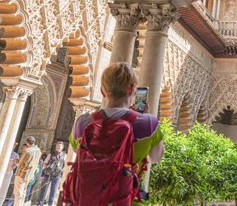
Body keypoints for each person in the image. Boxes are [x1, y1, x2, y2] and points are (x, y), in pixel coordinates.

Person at [70, 62, 165, 200]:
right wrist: (143, 117)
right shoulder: (149, 124)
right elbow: (156, 158)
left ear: (102, 91)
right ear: (132, 90)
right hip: (127, 200)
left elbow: (77, 151)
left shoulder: (82, 123)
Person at [12, 136, 41, 206]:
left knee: (18, 194)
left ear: (27, 142)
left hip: (22, 174)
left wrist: (16, 160)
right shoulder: (38, 151)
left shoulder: (28, 151)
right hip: (30, 175)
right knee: (23, 194)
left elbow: (19, 164)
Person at [36, 140, 65, 206]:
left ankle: (50, 204)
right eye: (57, 146)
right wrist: (48, 166)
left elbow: (65, 166)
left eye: (59, 146)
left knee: (53, 191)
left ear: (62, 147)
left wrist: (61, 170)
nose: (58, 147)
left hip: (57, 176)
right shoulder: (51, 154)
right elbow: (44, 163)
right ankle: (39, 204)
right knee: (42, 189)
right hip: (47, 174)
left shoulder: (64, 155)